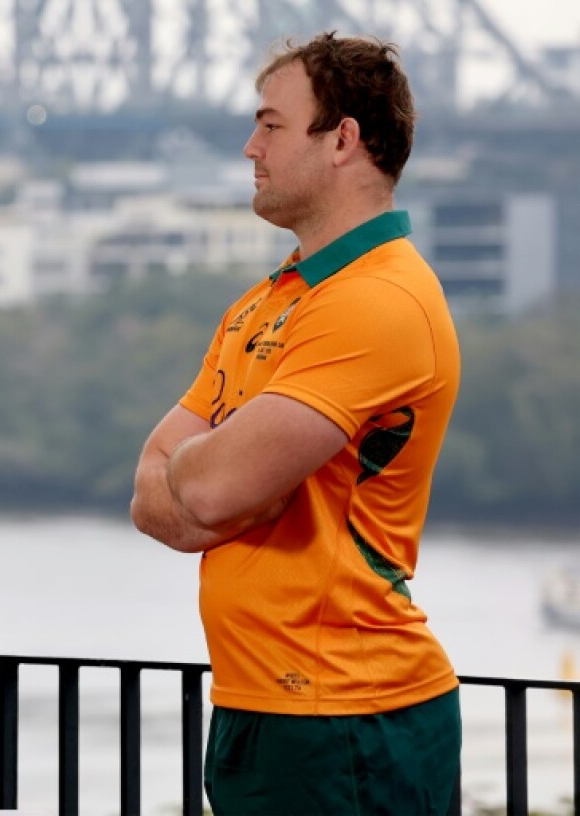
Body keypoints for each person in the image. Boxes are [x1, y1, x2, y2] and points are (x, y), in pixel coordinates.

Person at [130, 32, 461, 814]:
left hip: (348, 711)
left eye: (272, 125)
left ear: (343, 139)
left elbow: (207, 492)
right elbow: (151, 492)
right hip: (262, 703)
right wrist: (214, 475)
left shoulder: (378, 301)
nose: (251, 146)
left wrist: (210, 467)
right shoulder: (267, 302)